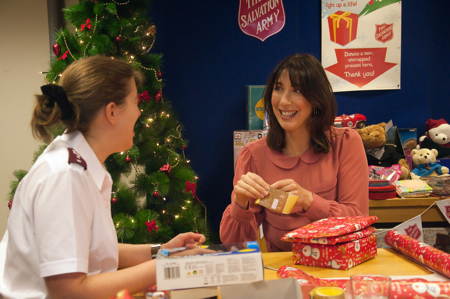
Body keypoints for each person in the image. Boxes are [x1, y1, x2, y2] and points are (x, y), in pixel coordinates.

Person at [0, 55, 209, 298]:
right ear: (112, 112)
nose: (139, 112)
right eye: (135, 102)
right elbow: (67, 291)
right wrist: (168, 267)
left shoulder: (79, 162)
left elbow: (88, 250)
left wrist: (162, 251)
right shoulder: (66, 176)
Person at [220, 54, 369, 252]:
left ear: (316, 99)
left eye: (296, 90)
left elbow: (358, 220)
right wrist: (240, 204)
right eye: (278, 88)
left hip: (338, 265)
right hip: (283, 270)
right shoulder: (253, 155)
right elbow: (235, 246)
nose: (283, 101)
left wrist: (309, 201)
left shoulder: (346, 143)